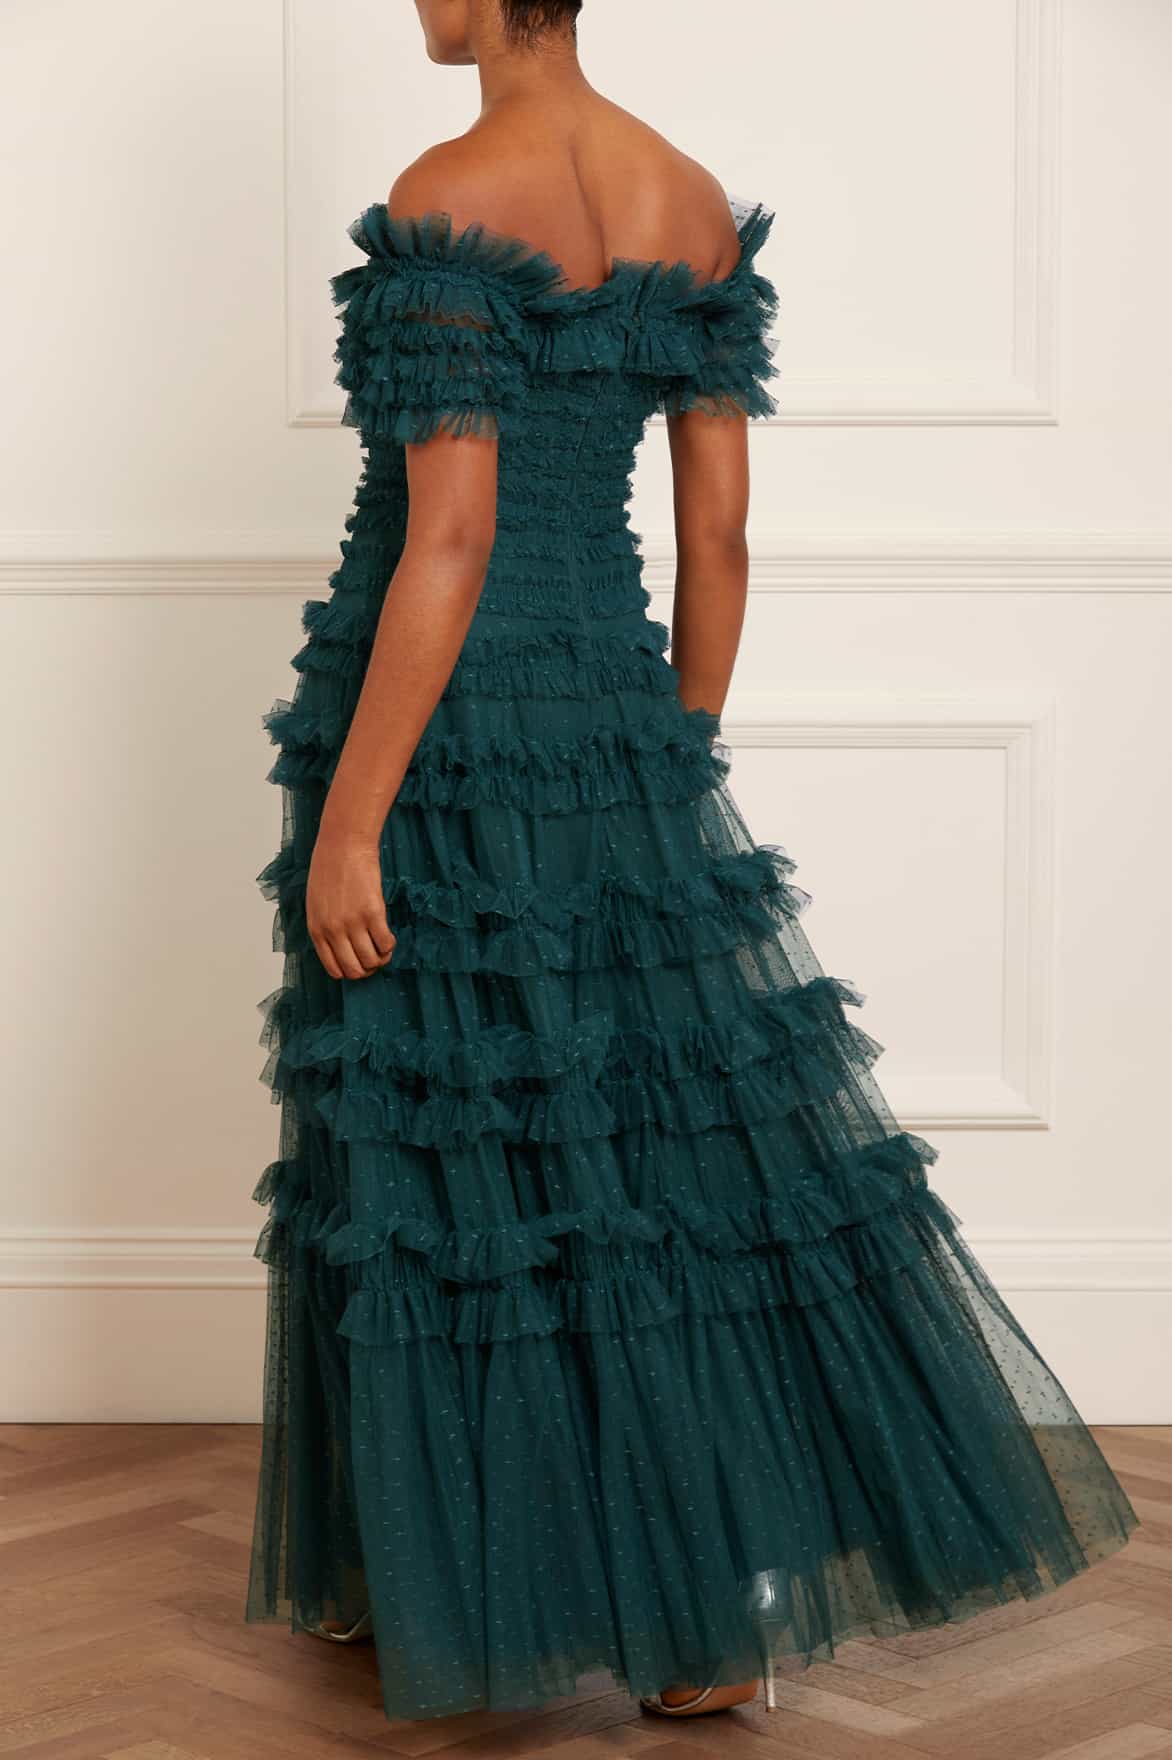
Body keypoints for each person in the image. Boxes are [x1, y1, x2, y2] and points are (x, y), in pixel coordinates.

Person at [243, 0, 1139, 1726]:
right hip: (617, 712)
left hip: (440, 730)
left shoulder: (446, 193)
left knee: (451, 1145)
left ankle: (451, 1581)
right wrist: (676, 746)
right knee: (652, 1149)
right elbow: (717, 532)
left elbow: (450, 536)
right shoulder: (689, 197)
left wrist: (354, 820)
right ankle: (709, 1615)